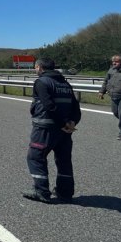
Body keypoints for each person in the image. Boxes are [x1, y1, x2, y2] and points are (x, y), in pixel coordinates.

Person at [23, 58, 81, 204]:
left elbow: (48, 105)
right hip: (65, 131)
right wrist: (71, 123)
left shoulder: (41, 82)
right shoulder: (65, 83)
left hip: (45, 129)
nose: (35, 70)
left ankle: (41, 191)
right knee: (64, 160)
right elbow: (75, 106)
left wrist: (62, 123)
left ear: (40, 67)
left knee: (35, 157)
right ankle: (65, 192)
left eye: (35, 67)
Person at [98, 54, 121, 140]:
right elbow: (106, 81)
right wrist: (102, 91)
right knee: (116, 113)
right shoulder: (111, 70)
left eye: (116, 62)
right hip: (114, 95)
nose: (114, 63)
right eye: (113, 62)